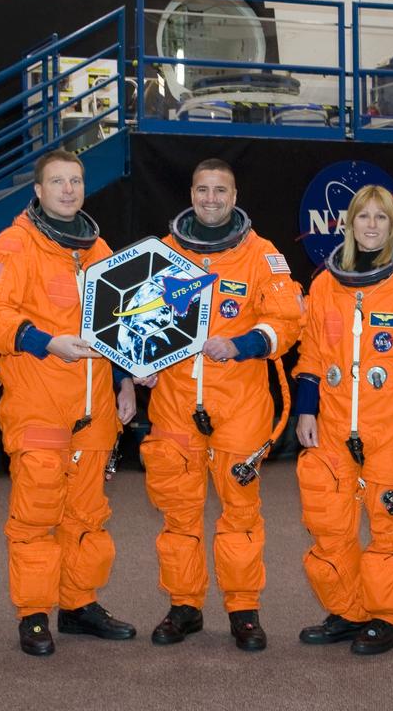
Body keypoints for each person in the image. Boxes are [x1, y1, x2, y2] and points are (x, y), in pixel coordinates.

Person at [0, 149, 137, 656]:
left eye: (76, 181)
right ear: (38, 191)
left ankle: (79, 604)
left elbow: (122, 319)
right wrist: (44, 341)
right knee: (36, 515)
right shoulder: (13, 246)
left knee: (87, 515)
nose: (68, 190)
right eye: (57, 182)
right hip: (40, 402)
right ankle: (35, 614)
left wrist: (126, 381)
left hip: (95, 409)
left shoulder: (98, 248)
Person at [141, 159, 304, 651]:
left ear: (235, 195)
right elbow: (135, 319)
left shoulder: (263, 256)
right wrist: (136, 363)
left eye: (221, 190)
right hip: (173, 405)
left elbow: (288, 321)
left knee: (240, 515)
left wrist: (244, 345)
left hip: (239, 404)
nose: (211, 199)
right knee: (179, 515)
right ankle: (184, 607)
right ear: (191, 193)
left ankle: (243, 610)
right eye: (203, 190)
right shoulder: (163, 254)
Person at [292, 185, 393, 655]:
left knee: (387, 524)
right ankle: (346, 611)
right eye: (361, 217)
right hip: (335, 424)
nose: (370, 225)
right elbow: (313, 354)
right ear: (348, 224)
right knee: (329, 522)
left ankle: (386, 617)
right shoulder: (326, 283)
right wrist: (307, 408)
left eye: (380, 218)